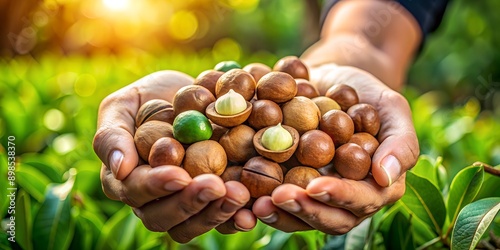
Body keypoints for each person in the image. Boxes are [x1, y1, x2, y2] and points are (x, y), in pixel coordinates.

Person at [93, 0, 449, 244]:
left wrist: (351, 70)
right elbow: (361, 35)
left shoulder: (303, 116)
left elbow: (374, 34)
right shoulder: (216, 120)